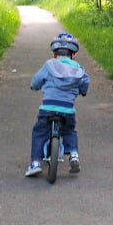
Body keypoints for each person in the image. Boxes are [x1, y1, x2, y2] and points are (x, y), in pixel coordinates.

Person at [25, 32, 90, 177]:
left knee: (39, 132)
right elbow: (85, 83)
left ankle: (35, 163)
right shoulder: (79, 69)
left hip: (48, 108)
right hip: (67, 109)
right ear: (73, 54)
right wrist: (82, 91)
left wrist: (34, 86)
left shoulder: (49, 65)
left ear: (53, 53)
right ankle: (73, 154)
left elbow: (36, 81)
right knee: (69, 131)